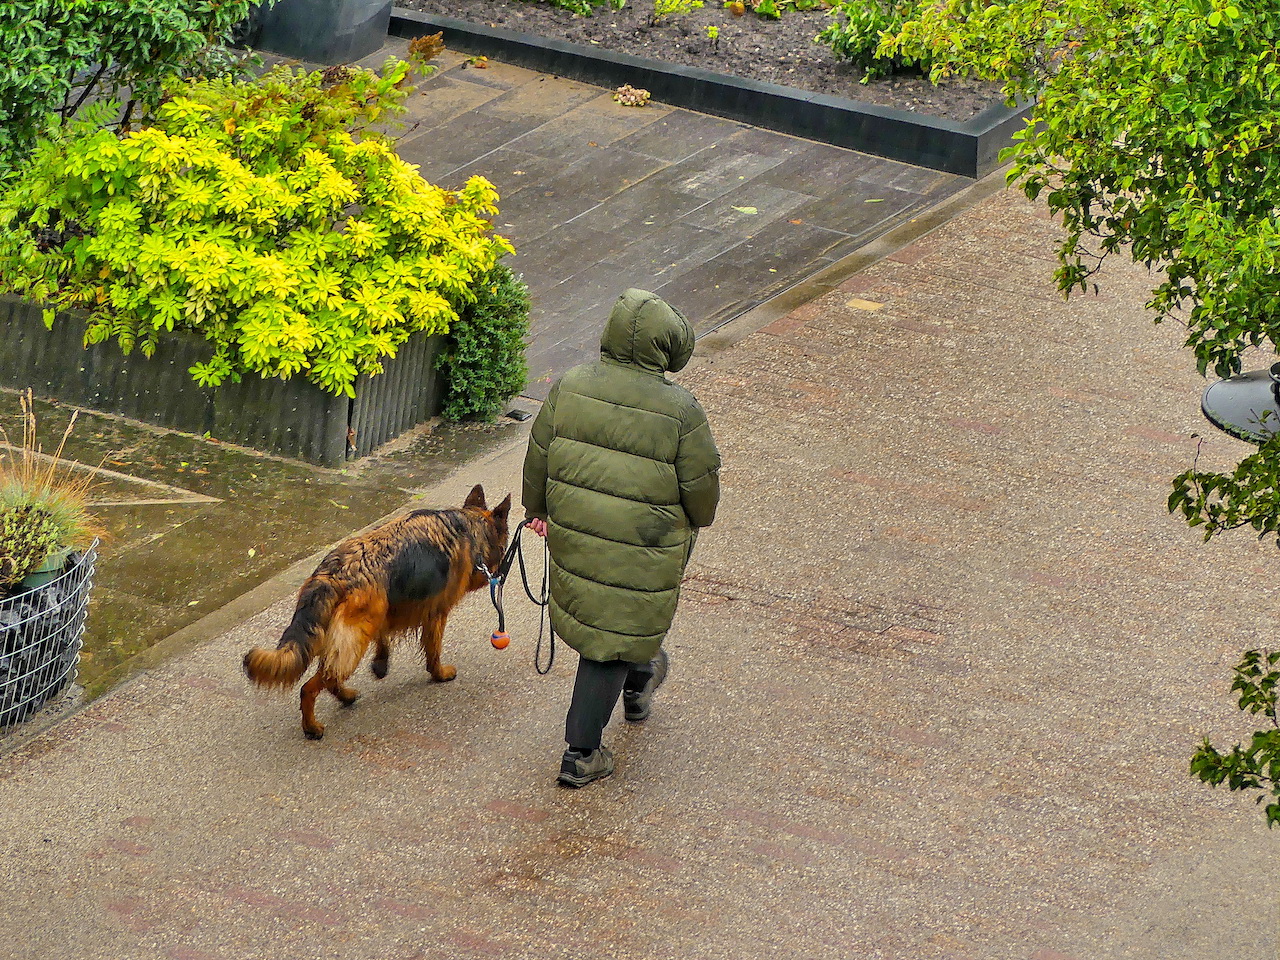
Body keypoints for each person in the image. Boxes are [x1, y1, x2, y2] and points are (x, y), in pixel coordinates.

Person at [522, 288, 721, 788]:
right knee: (613, 635)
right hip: (647, 542)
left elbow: (538, 457)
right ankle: (581, 752)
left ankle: (640, 680)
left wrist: (539, 510)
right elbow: (702, 496)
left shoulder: (569, 386)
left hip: (578, 532)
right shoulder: (680, 409)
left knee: (616, 620)